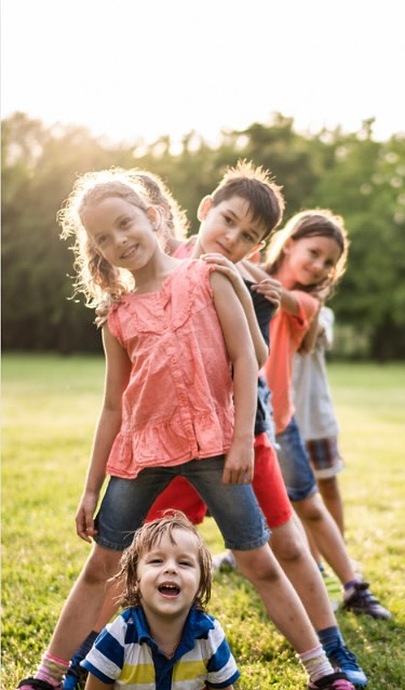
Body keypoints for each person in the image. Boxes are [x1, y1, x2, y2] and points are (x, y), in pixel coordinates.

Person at [18, 168, 355, 690]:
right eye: (102, 239)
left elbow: (248, 359)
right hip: (142, 454)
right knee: (102, 564)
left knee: (259, 561)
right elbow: (112, 407)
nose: (119, 241)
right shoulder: (118, 316)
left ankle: (323, 669)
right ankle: (46, 677)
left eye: (126, 224)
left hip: (214, 448)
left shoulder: (209, 275)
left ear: (153, 218)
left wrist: (242, 439)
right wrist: (90, 489)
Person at [246, 209, 392, 621]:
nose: (318, 266)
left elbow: (282, 295)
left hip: (277, 418)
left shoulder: (305, 302)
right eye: (313, 252)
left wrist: (258, 278)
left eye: (328, 262)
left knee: (309, 504)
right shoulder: (250, 273)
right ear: (289, 242)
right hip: (234, 416)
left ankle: (353, 586)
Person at [82, 511, 240, 689]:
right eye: (157, 561)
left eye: (185, 563)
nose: (171, 568)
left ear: (201, 584)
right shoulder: (117, 637)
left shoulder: (209, 636)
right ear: (134, 580)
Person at [292, 305, 346, 570]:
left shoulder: (322, 311)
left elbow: (307, 340)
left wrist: (316, 297)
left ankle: (338, 553)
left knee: (327, 485)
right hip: (281, 420)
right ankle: (315, 564)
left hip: (316, 419)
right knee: (300, 496)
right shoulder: (267, 300)